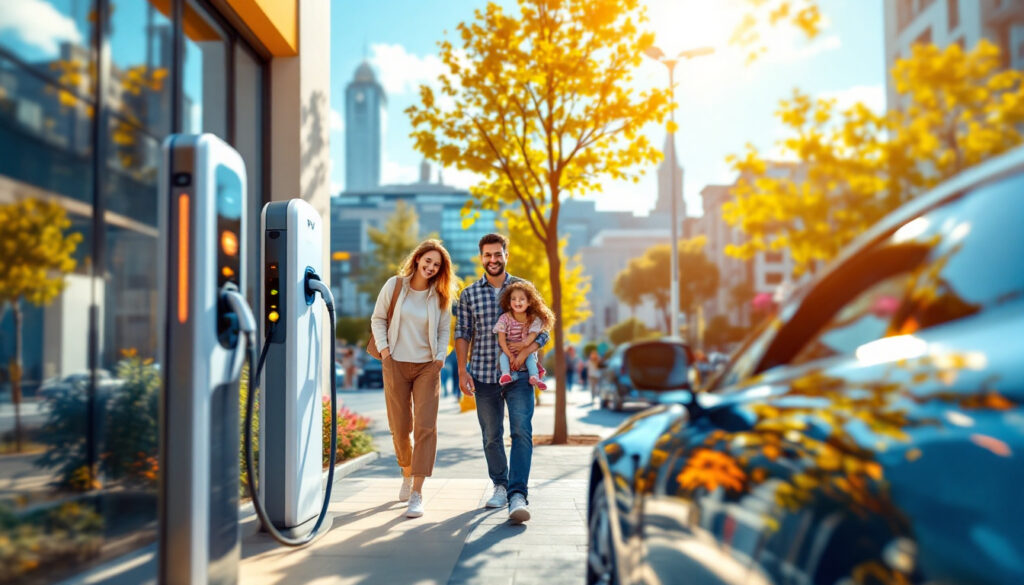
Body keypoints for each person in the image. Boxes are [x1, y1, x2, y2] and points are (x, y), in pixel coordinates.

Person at [455, 233, 549, 524]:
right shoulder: (469, 294)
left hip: (520, 374)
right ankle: (500, 485)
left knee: (521, 431)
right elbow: (462, 334)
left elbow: (543, 326)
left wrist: (528, 350)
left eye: (498, 254)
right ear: (481, 257)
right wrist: (461, 370)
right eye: (487, 255)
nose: (493, 260)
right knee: (491, 435)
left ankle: (518, 494)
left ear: (506, 255)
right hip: (483, 374)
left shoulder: (524, 288)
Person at [370, 239, 455, 519]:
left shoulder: (440, 296)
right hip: (394, 362)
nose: (431, 267)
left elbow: (444, 330)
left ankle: (417, 491)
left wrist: (440, 358)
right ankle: (406, 471)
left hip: (427, 367)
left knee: (426, 427)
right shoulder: (395, 285)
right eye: (428, 261)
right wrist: (385, 351)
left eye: (437, 265)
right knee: (399, 426)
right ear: (417, 259)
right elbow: (378, 318)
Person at [493, 281, 553, 391]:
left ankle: (534, 377)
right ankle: (506, 374)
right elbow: (501, 340)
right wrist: (510, 355)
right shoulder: (504, 318)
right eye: (514, 299)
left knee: (531, 358)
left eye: (521, 299)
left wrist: (523, 345)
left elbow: (533, 335)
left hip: (526, 350)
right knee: (503, 357)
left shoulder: (533, 319)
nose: (517, 302)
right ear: (508, 302)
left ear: (529, 302)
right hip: (508, 350)